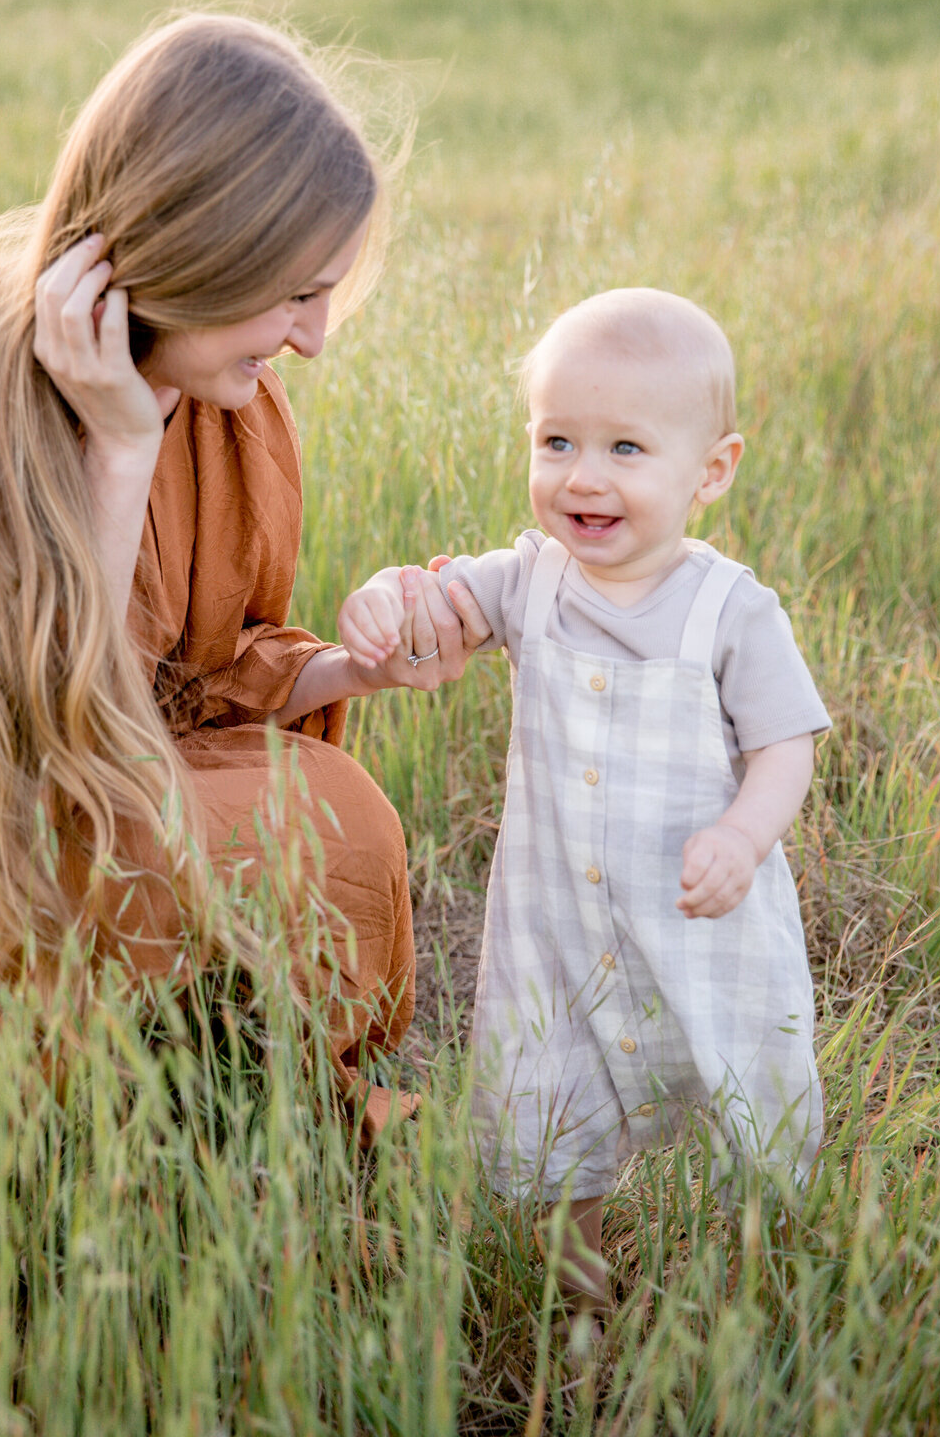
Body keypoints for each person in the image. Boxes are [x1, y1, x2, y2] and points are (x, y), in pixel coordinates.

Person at [0, 11, 486, 1132]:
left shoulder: (229, 399)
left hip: (106, 793)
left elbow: (178, 691)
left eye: (326, 293)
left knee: (333, 818)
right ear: (194, 249)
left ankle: (203, 1089)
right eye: (294, 292)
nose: (315, 337)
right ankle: (101, 1098)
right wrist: (115, 449)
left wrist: (357, 667)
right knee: (132, 861)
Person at [338, 287, 828, 1309]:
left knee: (753, 1099)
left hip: (703, 923)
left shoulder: (731, 610)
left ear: (713, 471)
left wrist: (744, 835)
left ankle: (761, 1284)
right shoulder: (531, 580)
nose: (583, 477)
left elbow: (786, 746)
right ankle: (582, 1304)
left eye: (626, 450)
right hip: (557, 928)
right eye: (557, 441)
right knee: (553, 1109)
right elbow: (446, 604)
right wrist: (391, 597)